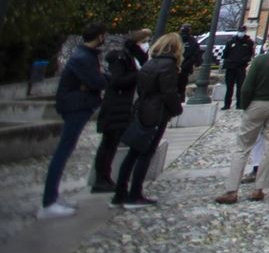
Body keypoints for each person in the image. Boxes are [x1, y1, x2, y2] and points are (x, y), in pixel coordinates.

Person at [215, 29, 269, 205]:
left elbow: (246, 87)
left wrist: (246, 105)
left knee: (242, 147)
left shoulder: (260, 60)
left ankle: (232, 190)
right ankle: (259, 189)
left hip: (256, 104)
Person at [39, 22, 108, 218]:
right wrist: (98, 81)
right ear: (100, 36)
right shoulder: (83, 58)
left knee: (66, 150)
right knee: (63, 151)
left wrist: (97, 81)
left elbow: (97, 80)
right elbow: (98, 81)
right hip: (76, 106)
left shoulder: (85, 55)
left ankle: (52, 198)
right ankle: (48, 203)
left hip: (79, 104)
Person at [114, 31, 184, 209]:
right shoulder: (168, 66)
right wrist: (177, 109)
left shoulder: (150, 62)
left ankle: (120, 194)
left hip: (142, 108)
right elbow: (168, 92)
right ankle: (135, 194)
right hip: (156, 112)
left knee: (133, 153)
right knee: (145, 154)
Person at [91, 28, 149, 193]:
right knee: (108, 145)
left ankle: (106, 178)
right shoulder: (121, 57)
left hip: (124, 106)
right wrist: (138, 74)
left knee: (113, 145)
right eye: (145, 41)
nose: (147, 45)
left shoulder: (133, 58)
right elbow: (117, 81)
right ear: (138, 42)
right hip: (115, 106)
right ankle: (100, 179)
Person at [221, 29, 255, 110]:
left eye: (242, 31)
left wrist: (243, 61)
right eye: (240, 31)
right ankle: (227, 104)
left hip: (241, 66)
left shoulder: (248, 42)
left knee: (240, 86)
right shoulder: (231, 42)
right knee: (229, 87)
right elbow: (225, 53)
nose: (241, 33)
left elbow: (250, 54)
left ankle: (239, 104)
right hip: (231, 66)